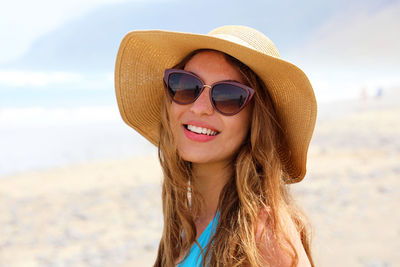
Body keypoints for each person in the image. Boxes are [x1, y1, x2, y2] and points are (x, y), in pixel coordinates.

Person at [115, 25, 317, 266]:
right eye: (187, 86)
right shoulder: (187, 221)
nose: (200, 107)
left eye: (229, 96)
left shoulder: (264, 233)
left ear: (256, 120)